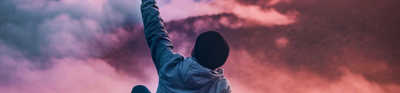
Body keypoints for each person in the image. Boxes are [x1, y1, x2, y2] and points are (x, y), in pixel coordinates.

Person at [135, 0, 232, 92]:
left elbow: (156, 31)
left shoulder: (169, 64)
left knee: (139, 90)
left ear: (194, 50)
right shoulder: (221, 86)